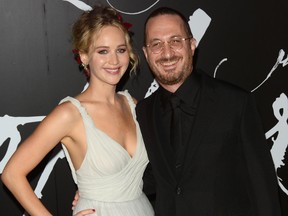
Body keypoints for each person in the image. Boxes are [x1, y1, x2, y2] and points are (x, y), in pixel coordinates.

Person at [1, 5, 154, 216]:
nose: (114, 60)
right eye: (103, 51)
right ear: (84, 57)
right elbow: (12, 173)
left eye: (121, 50)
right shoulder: (70, 114)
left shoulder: (133, 105)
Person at [135, 6, 282, 216]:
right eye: (156, 44)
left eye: (176, 41)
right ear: (146, 53)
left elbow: (263, 188)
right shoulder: (144, 111)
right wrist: (97, 194)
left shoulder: (235, 103)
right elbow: (150, 179)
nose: (167, 53)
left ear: (192, 45)